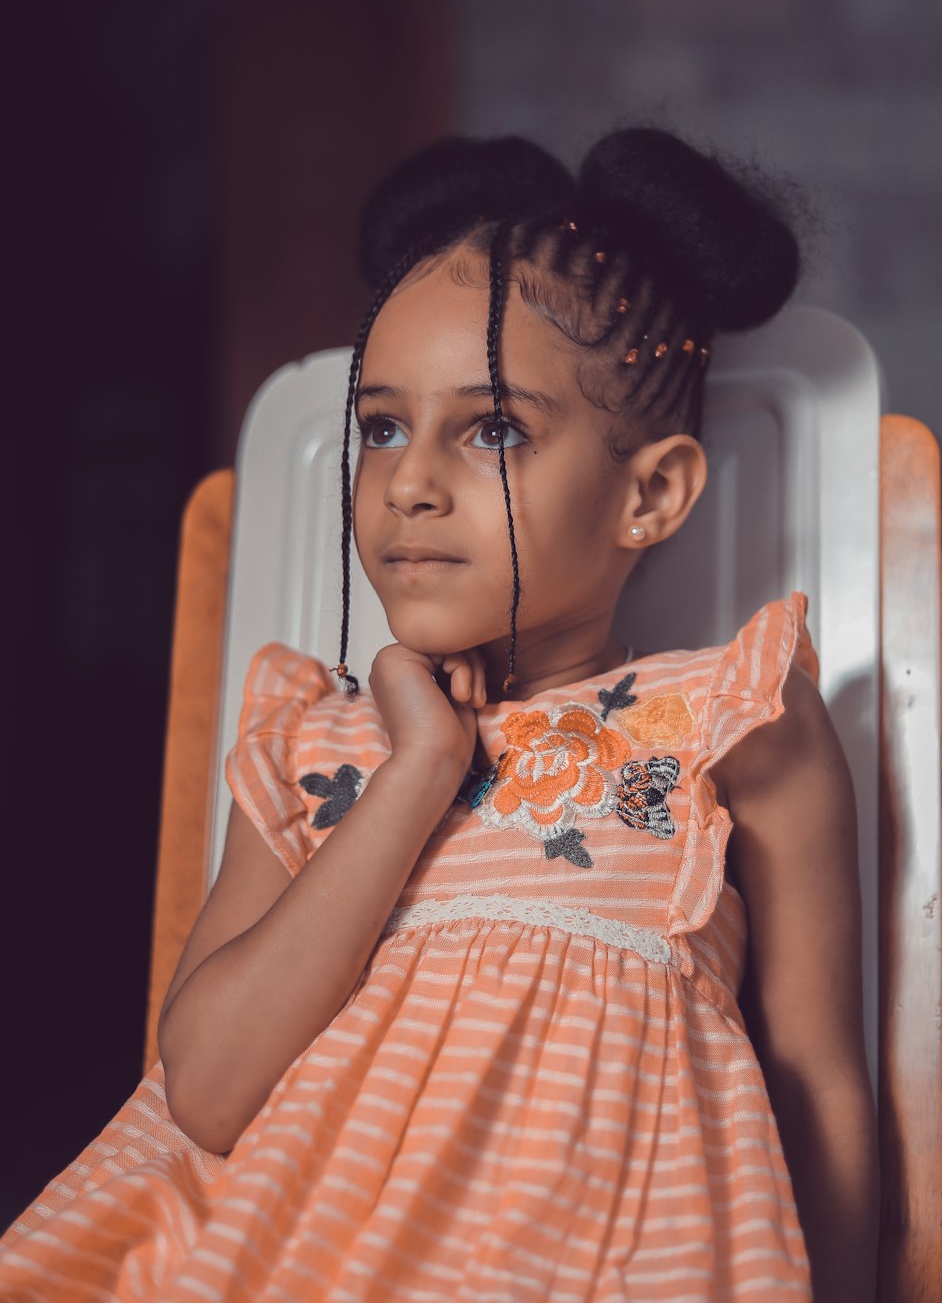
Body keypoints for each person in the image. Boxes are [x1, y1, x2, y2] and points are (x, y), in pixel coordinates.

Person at [0, 127, 878, 1301]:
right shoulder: (318, 746)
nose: (408, 480)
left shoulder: (729, 720)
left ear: (650, 493)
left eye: (494, 429)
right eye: (379, 427)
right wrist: (416, 772)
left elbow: (819, 1083)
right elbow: (205, 1090)